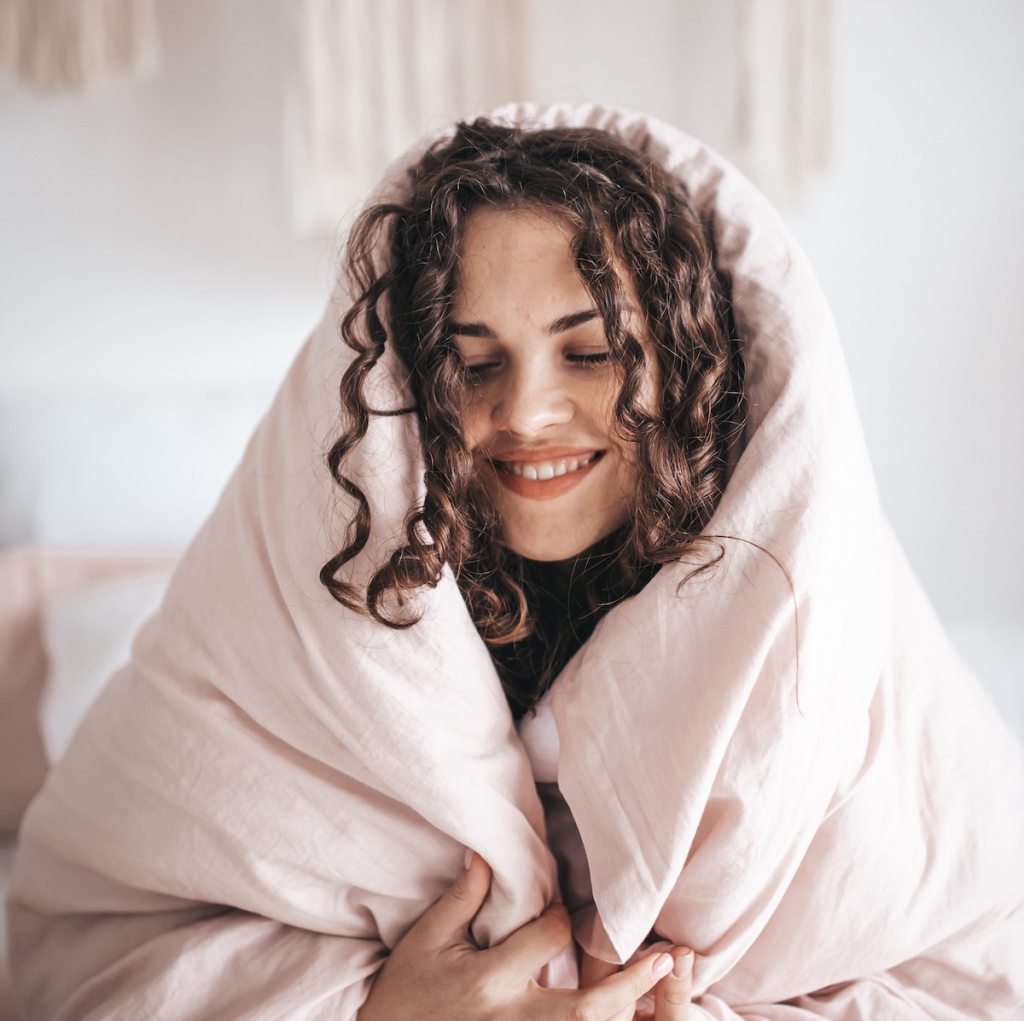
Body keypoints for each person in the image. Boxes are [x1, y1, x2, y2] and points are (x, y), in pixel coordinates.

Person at [8, 103, 1024, 1020]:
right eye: (474, 363)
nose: (526, 414)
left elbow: (971, 962)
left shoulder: (826, 610)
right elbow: (84, 957)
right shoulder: (272, 616)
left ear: (686, 363)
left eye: (589, 353)